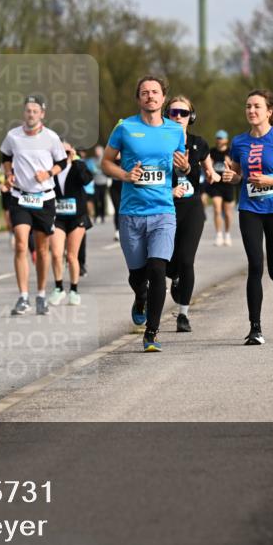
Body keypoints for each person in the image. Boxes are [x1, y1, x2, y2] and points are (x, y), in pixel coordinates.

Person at [102, 75, 188, 352]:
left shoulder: (175, 131)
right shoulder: (125, 128)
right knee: (138, 276)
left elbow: (181, 168)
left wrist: (185, 168)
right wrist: (126, 175)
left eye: (155, 92)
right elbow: (105, 163)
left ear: (163, 97)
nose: (150, 96)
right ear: (139, 99)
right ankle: (140, 297)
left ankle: (151, 333)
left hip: (163, 210)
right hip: (131, 213)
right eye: (144, 92)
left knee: (157, 269)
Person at [221, 89, 273, 346]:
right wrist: (231, 177)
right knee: (255, 265)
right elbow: (236, 173)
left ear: (269, 111)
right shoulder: (238, 142)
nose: (251, 111)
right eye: (248, 106)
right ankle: (255, 328)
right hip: (250, 210)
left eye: (256, 106)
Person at [1, 95, 67, 316]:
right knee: (20, 244)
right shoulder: (13, 136)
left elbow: (62, 162)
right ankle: (23, 297)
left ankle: (40, 295)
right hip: (20, 197)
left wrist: (48, 173)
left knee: (41, 249)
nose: (31, 114)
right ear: (24, 113)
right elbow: (5, 156)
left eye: (35, 111)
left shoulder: (51, 137)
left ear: (42, 114)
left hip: (44, 198)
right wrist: (9, 174)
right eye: (28, 111)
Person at [165, 96, 219, 332]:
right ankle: (173, 276)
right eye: (174, 112)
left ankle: (183, 315)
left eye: (183, 113)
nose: (178, 117)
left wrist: (215, 176)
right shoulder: (159, 142)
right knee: (165, 262)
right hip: (165, 206)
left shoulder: (199, 143)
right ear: (167, 115)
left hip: (192, 207)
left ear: (191, 117)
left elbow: (209, 171)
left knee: (187, 260)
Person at [48, 141, 92, 306]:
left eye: (67, 152)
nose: (64, 155)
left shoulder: (78, 165)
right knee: (56, 254)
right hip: (58, 216)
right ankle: (59, 288)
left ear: (72, 152)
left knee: (72, 256)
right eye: (61, 152)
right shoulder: (51, 168)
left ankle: (74, 290)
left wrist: (75, 162)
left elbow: (87, 180)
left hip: (77, 216)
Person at [207, 130, 235, 246]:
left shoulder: (231, 152)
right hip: (216, 185)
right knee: (217, 209)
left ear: (226, 140)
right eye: (218, 138)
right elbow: (207, 166)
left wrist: (231, 163)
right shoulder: (212, 152)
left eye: (221, 138)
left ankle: (227, 234)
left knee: (228, 213)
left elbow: (237, 169)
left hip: (228, 185)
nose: (219, 140)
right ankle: (218, 235)